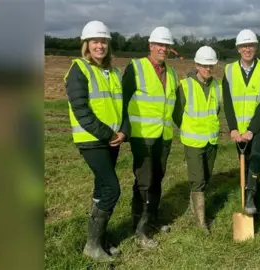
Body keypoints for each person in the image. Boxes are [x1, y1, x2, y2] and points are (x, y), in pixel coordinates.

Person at [64, 20, 130, 261]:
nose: (100, 46)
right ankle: (91, 245)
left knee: (102, 188)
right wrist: (108, 134)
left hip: (113, 140)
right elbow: (81, 110)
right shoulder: (78, 70)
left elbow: (121, 106)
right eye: (95, 41)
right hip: (93, 140)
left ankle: (99, 240)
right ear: (86, 45)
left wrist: (123, 131)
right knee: (112, 189)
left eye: (103, 41)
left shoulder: (113, 72)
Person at [122, 26, 179, 248]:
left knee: (157, 178)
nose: (163, 49)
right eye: (160, 45)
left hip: (163, 136)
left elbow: (174, 106)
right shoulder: (135, 68)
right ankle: (140, 229)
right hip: (142, 136)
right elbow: (123, 100)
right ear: (151, 45)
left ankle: (152, 219)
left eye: (166, 45)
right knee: (144, 181)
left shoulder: (172, 73)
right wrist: (124, 130)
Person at [222, 29, 260, 215]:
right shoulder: (228, 70)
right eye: (244, 46)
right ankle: (253, 202)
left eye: (250, 45)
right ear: (238, 48)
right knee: (244, 163)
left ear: (256, 47)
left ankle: (251, 197)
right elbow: (228, 102)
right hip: (239, 129)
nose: (247, 49)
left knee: (257, 156)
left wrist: (252, 129)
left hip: (259, 125)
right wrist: (234, 129)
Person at [172, 46, 222, 234]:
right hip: (193, 141)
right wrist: (188, 127)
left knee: (206, 176)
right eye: (204, 65)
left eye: (211, 65)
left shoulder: (216, 86)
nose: (208, 68)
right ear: (196, 65)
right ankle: (201, 222)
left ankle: (194, 206)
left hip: (211, 140)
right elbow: (177, 114)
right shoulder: (185, 86)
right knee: (198, 179)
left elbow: (216, 110)